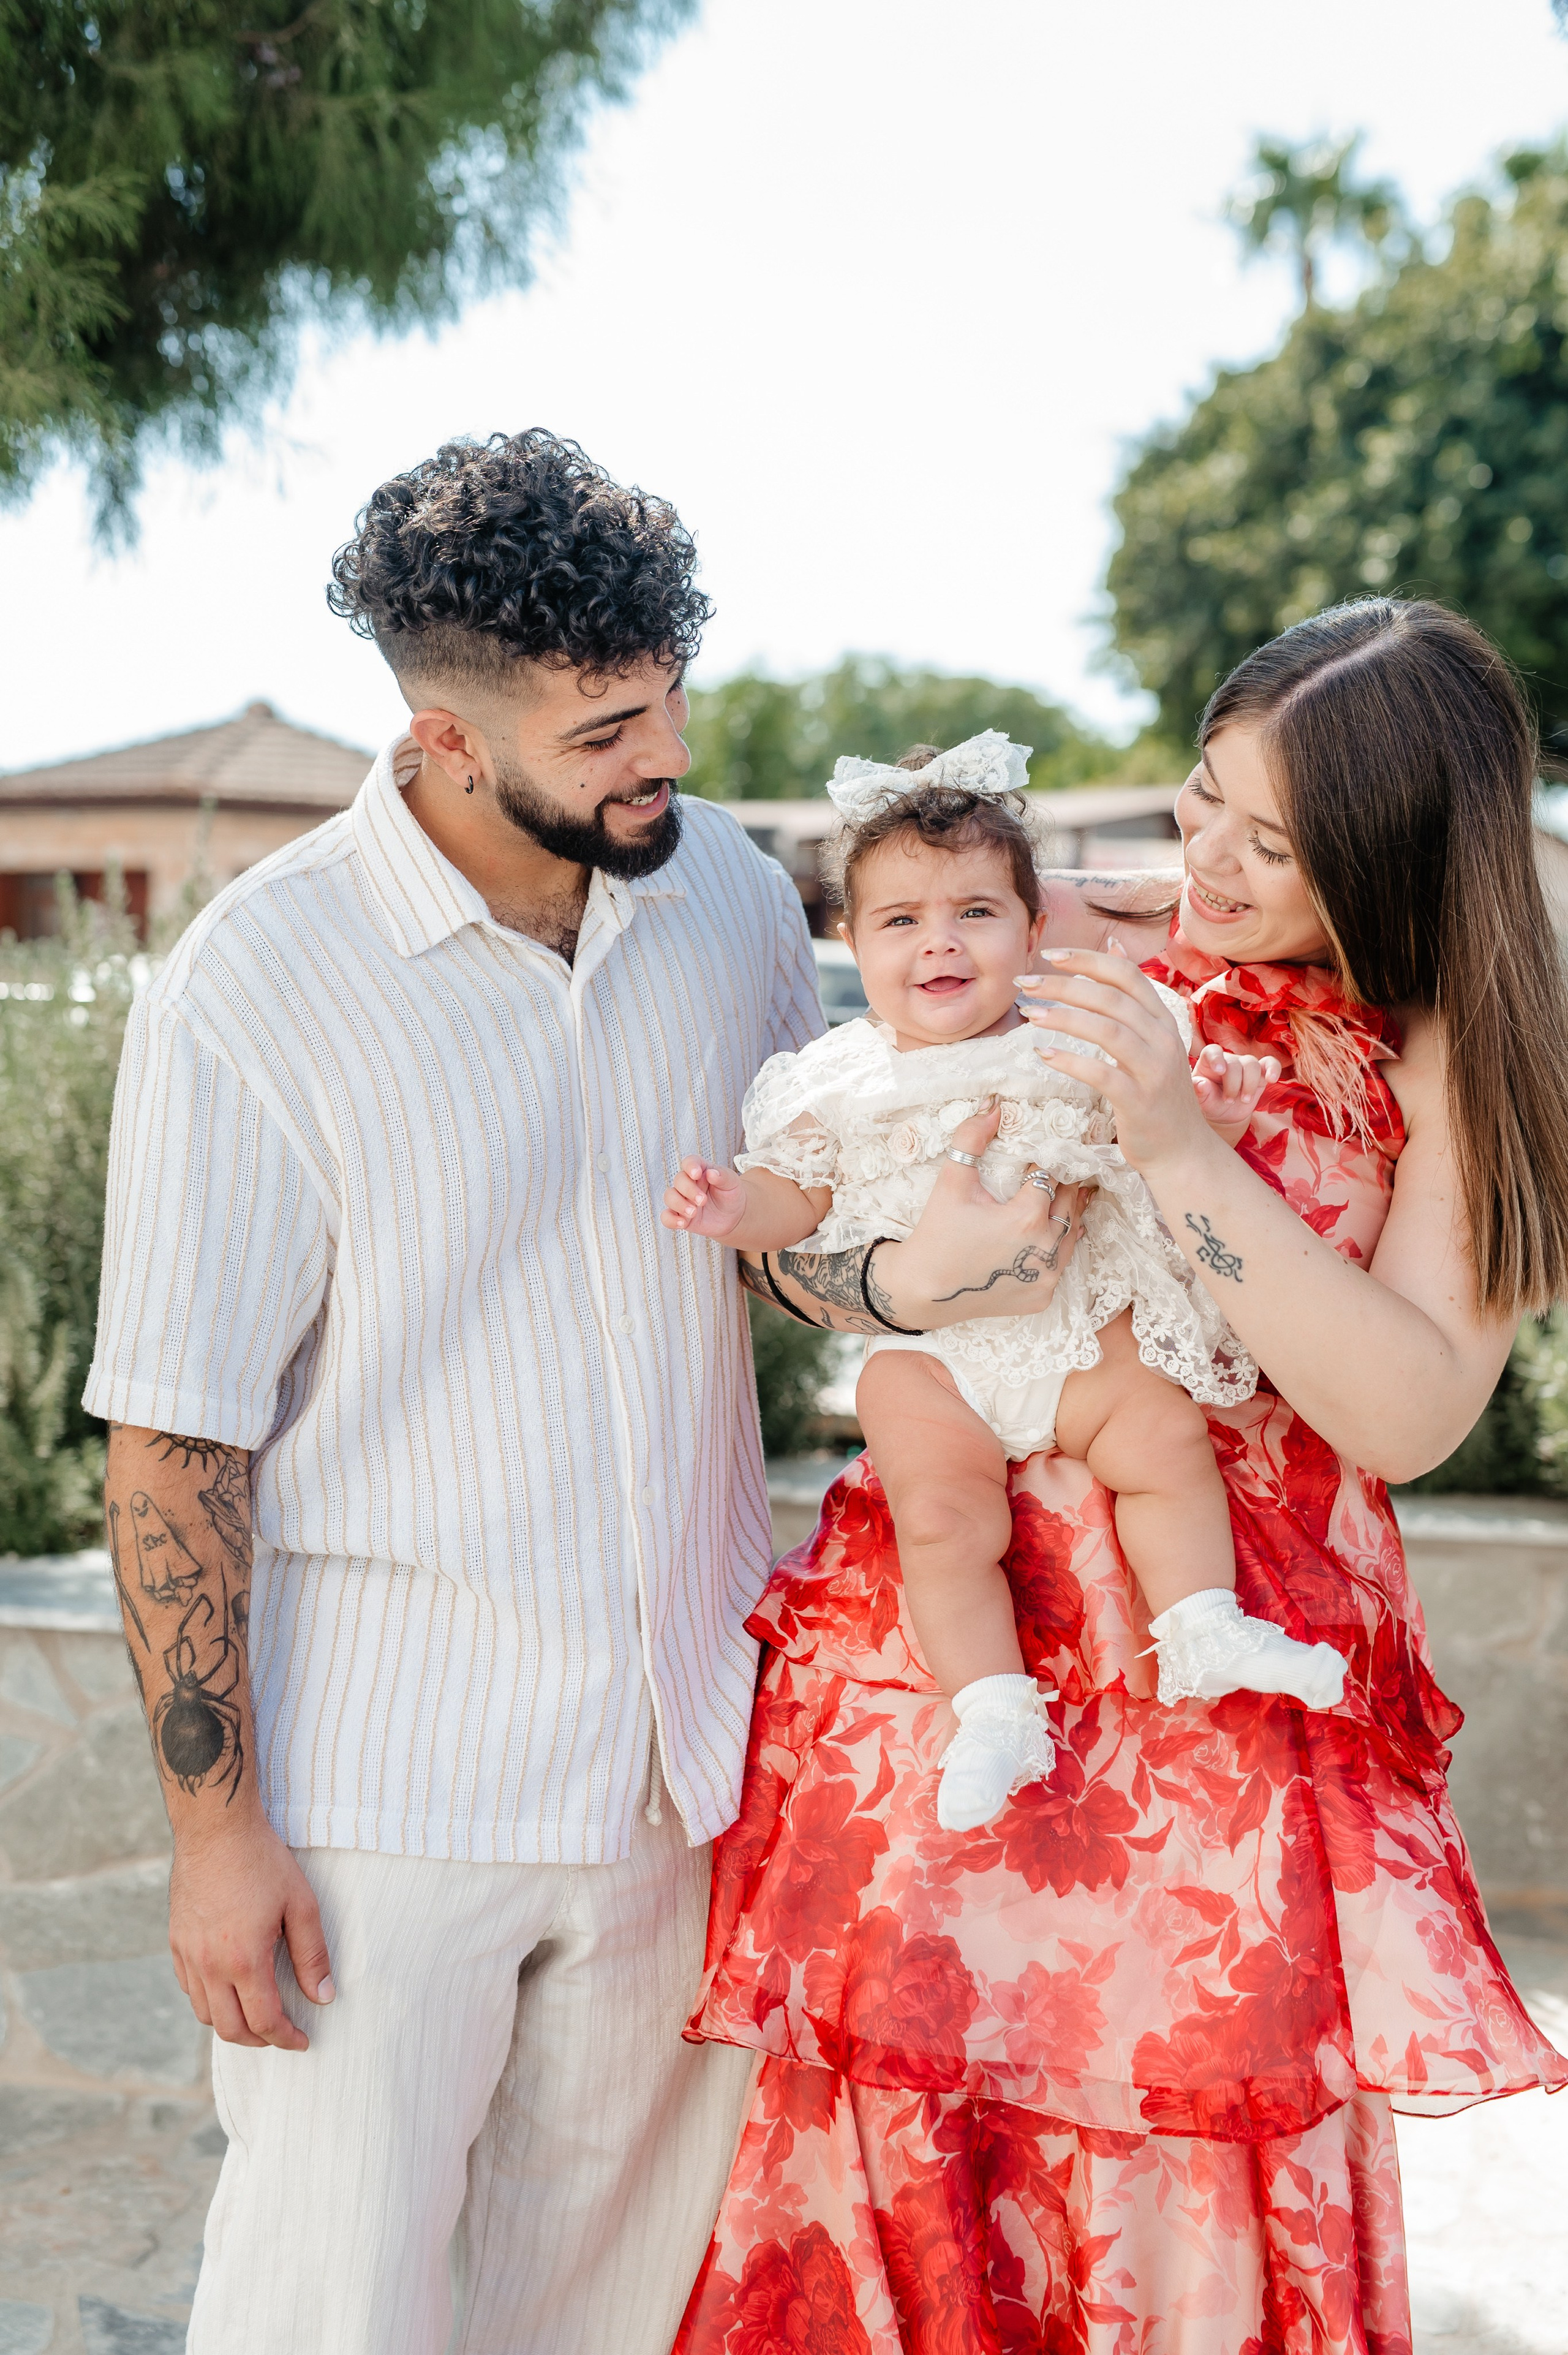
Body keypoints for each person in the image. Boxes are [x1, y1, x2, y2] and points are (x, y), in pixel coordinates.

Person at [674, 598, 1568, 2353]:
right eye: (1200, 800)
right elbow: (828, 1199)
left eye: (1273, 841)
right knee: (921, 2186)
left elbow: (1404, 1410)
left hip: (1205, 1726)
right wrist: (893, 1285)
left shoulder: (1449, 1041)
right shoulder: (1075, 933)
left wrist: (1172, 1138)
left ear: (1395, 859)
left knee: (1171, 2216)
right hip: (965, 1686)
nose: (1209, 863)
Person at [85, 429, 822, 2355]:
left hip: (683, 1762)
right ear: (442, 736)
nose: (658, 758)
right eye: (601, 733)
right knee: (328, 2308)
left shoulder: (730, 894)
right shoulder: (259, 981)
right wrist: (214, 1832)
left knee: (598, 2310)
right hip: (377, 1799)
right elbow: (175, 1435)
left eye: (668, 703)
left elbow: (822, 1223)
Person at [664, 731, 1344, 1837]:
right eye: (901, 921)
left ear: (1034, 931)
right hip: (932, 1358)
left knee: (1162, 1439)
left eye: (976, 912)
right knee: (937, 1515)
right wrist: (738, 1209)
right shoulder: (834, 1079)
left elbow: (1150, 1140)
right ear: (851, 941)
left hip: (1074, 1323)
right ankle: (991, 1708)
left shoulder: (1070, 1040)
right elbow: (798, 1191)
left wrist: (1205, 1112)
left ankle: (1202, 1620)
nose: (940, 942)